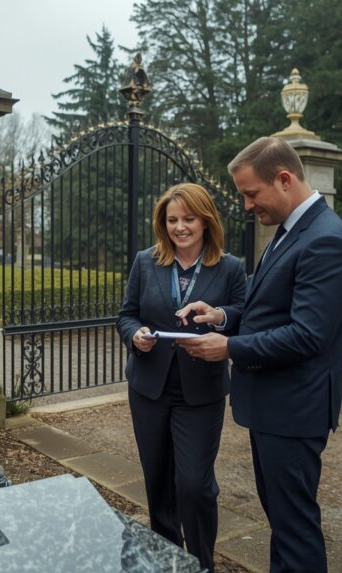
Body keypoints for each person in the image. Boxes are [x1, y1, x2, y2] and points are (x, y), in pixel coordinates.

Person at [179, 137, 342, 572]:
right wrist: (221, 315)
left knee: (295, 529)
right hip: (276, 408)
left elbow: (306, 336)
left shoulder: (327, 240)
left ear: (283, 180)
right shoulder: (291, 231)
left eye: (250, 193)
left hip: (294, 411)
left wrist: (228, 348)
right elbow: (269, 309)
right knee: (283, 522)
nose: (245, 205)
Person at [116, 182, 246, 571]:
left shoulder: (230, 268)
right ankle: (167, 559)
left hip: (201, 392)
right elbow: (127, 314)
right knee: (158, 483)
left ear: (206, 221)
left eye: (188, 219)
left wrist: (220, 317)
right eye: (172, 220)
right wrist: (134, 335)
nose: (180, 227)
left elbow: (242, 315)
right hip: (149, 389)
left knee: (194, 484)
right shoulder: (145, 261)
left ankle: (201, 562)